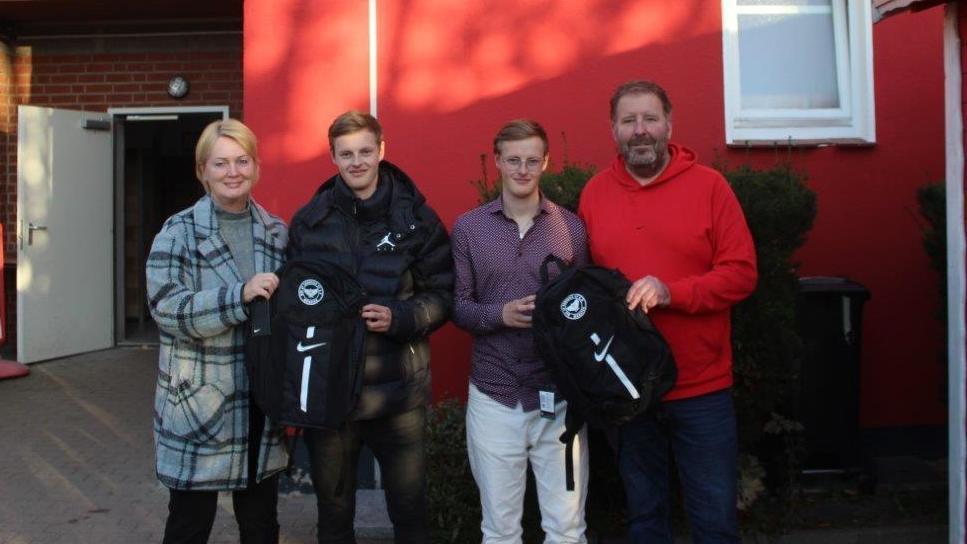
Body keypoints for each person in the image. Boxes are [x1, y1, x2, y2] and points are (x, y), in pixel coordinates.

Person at [577, 80, 758, 543]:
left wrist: (671, 292)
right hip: (629, 387)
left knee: (714, 521)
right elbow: (586, 289)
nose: (640, 130)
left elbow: (741, 274)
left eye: (650, 119)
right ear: (613, 130)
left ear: (669, 125)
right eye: (629, 121)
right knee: (645, 519)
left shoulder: (710, 187)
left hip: (701, 387)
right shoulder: (594, 194)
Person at [286, 111, 453, 544]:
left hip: (399, 396)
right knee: (334, 517)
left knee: (411, 515)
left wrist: (402, 317)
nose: (356, 162)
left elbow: (444, 294)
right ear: (332, 157)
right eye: (346, 154)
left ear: (381, 150)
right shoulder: (309, 221)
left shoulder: (417, 219)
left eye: (364, 151)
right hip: (330, 396)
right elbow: (294, 302)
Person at [146, 118, 289, 544]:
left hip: (259, 398)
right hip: (200, 401)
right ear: (202, 171)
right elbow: (167, 309)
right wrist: (238, 296)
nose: (232, 172)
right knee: (190, 524)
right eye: (220, 163)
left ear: (256, 167)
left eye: (242, 161)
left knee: (261, 524)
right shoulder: (178, 232)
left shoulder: (277, 232)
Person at [452, 119, 590, 543]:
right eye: (513, 160)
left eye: (532, 160)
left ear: (546, 162)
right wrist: (501, 315)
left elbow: (585, 308)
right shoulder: (469, 228)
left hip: (558, 394)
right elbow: (458, 306)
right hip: (494, 394)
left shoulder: (571, 228)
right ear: (497, 161)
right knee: (500, 530)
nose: (523, 170)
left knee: (567, 528)